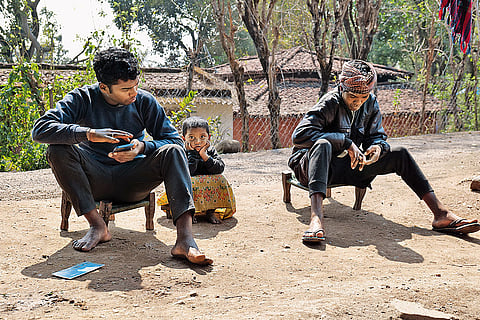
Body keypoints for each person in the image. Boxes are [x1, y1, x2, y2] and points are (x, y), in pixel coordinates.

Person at [32, 47, 212, 265]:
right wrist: (88, 134)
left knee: (173, 152)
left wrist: (142, 147)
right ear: (104, 88)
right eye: (126, 89)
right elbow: (40, 129)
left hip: (133, 181)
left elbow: (175, 141)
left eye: (136, 85)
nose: (133, 93)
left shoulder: (144, 101)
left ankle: (185, 240)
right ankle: (98, 226)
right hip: (93, 181)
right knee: (56, 149)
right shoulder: (82, 99)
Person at [288, 59, 480, 243]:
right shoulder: (329, 102)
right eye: (353, 97)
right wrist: (345, 142)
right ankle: (316, 220)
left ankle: (440, 215)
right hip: (310, 168)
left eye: (363, 97)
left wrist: (378, 148)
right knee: (323, 144)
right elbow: (300, 136)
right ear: (341, 88)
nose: (358, 102)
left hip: (347, 167)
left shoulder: (370, 103)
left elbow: (378, 136)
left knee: (400, 154)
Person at [158, 116, 236, 224]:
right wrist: (193, 154)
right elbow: (188, 172)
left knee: (220, 179)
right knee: (190, 181)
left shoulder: (210, 151)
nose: (197, 141)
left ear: (208, 137)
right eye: (191, 138)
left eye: (202, 137)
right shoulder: (181, 152)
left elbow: (219, 169)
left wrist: (204, 156)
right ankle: (189, 213)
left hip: (205, 190)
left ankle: (210, 212)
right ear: (184, 138)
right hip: (188, 188)